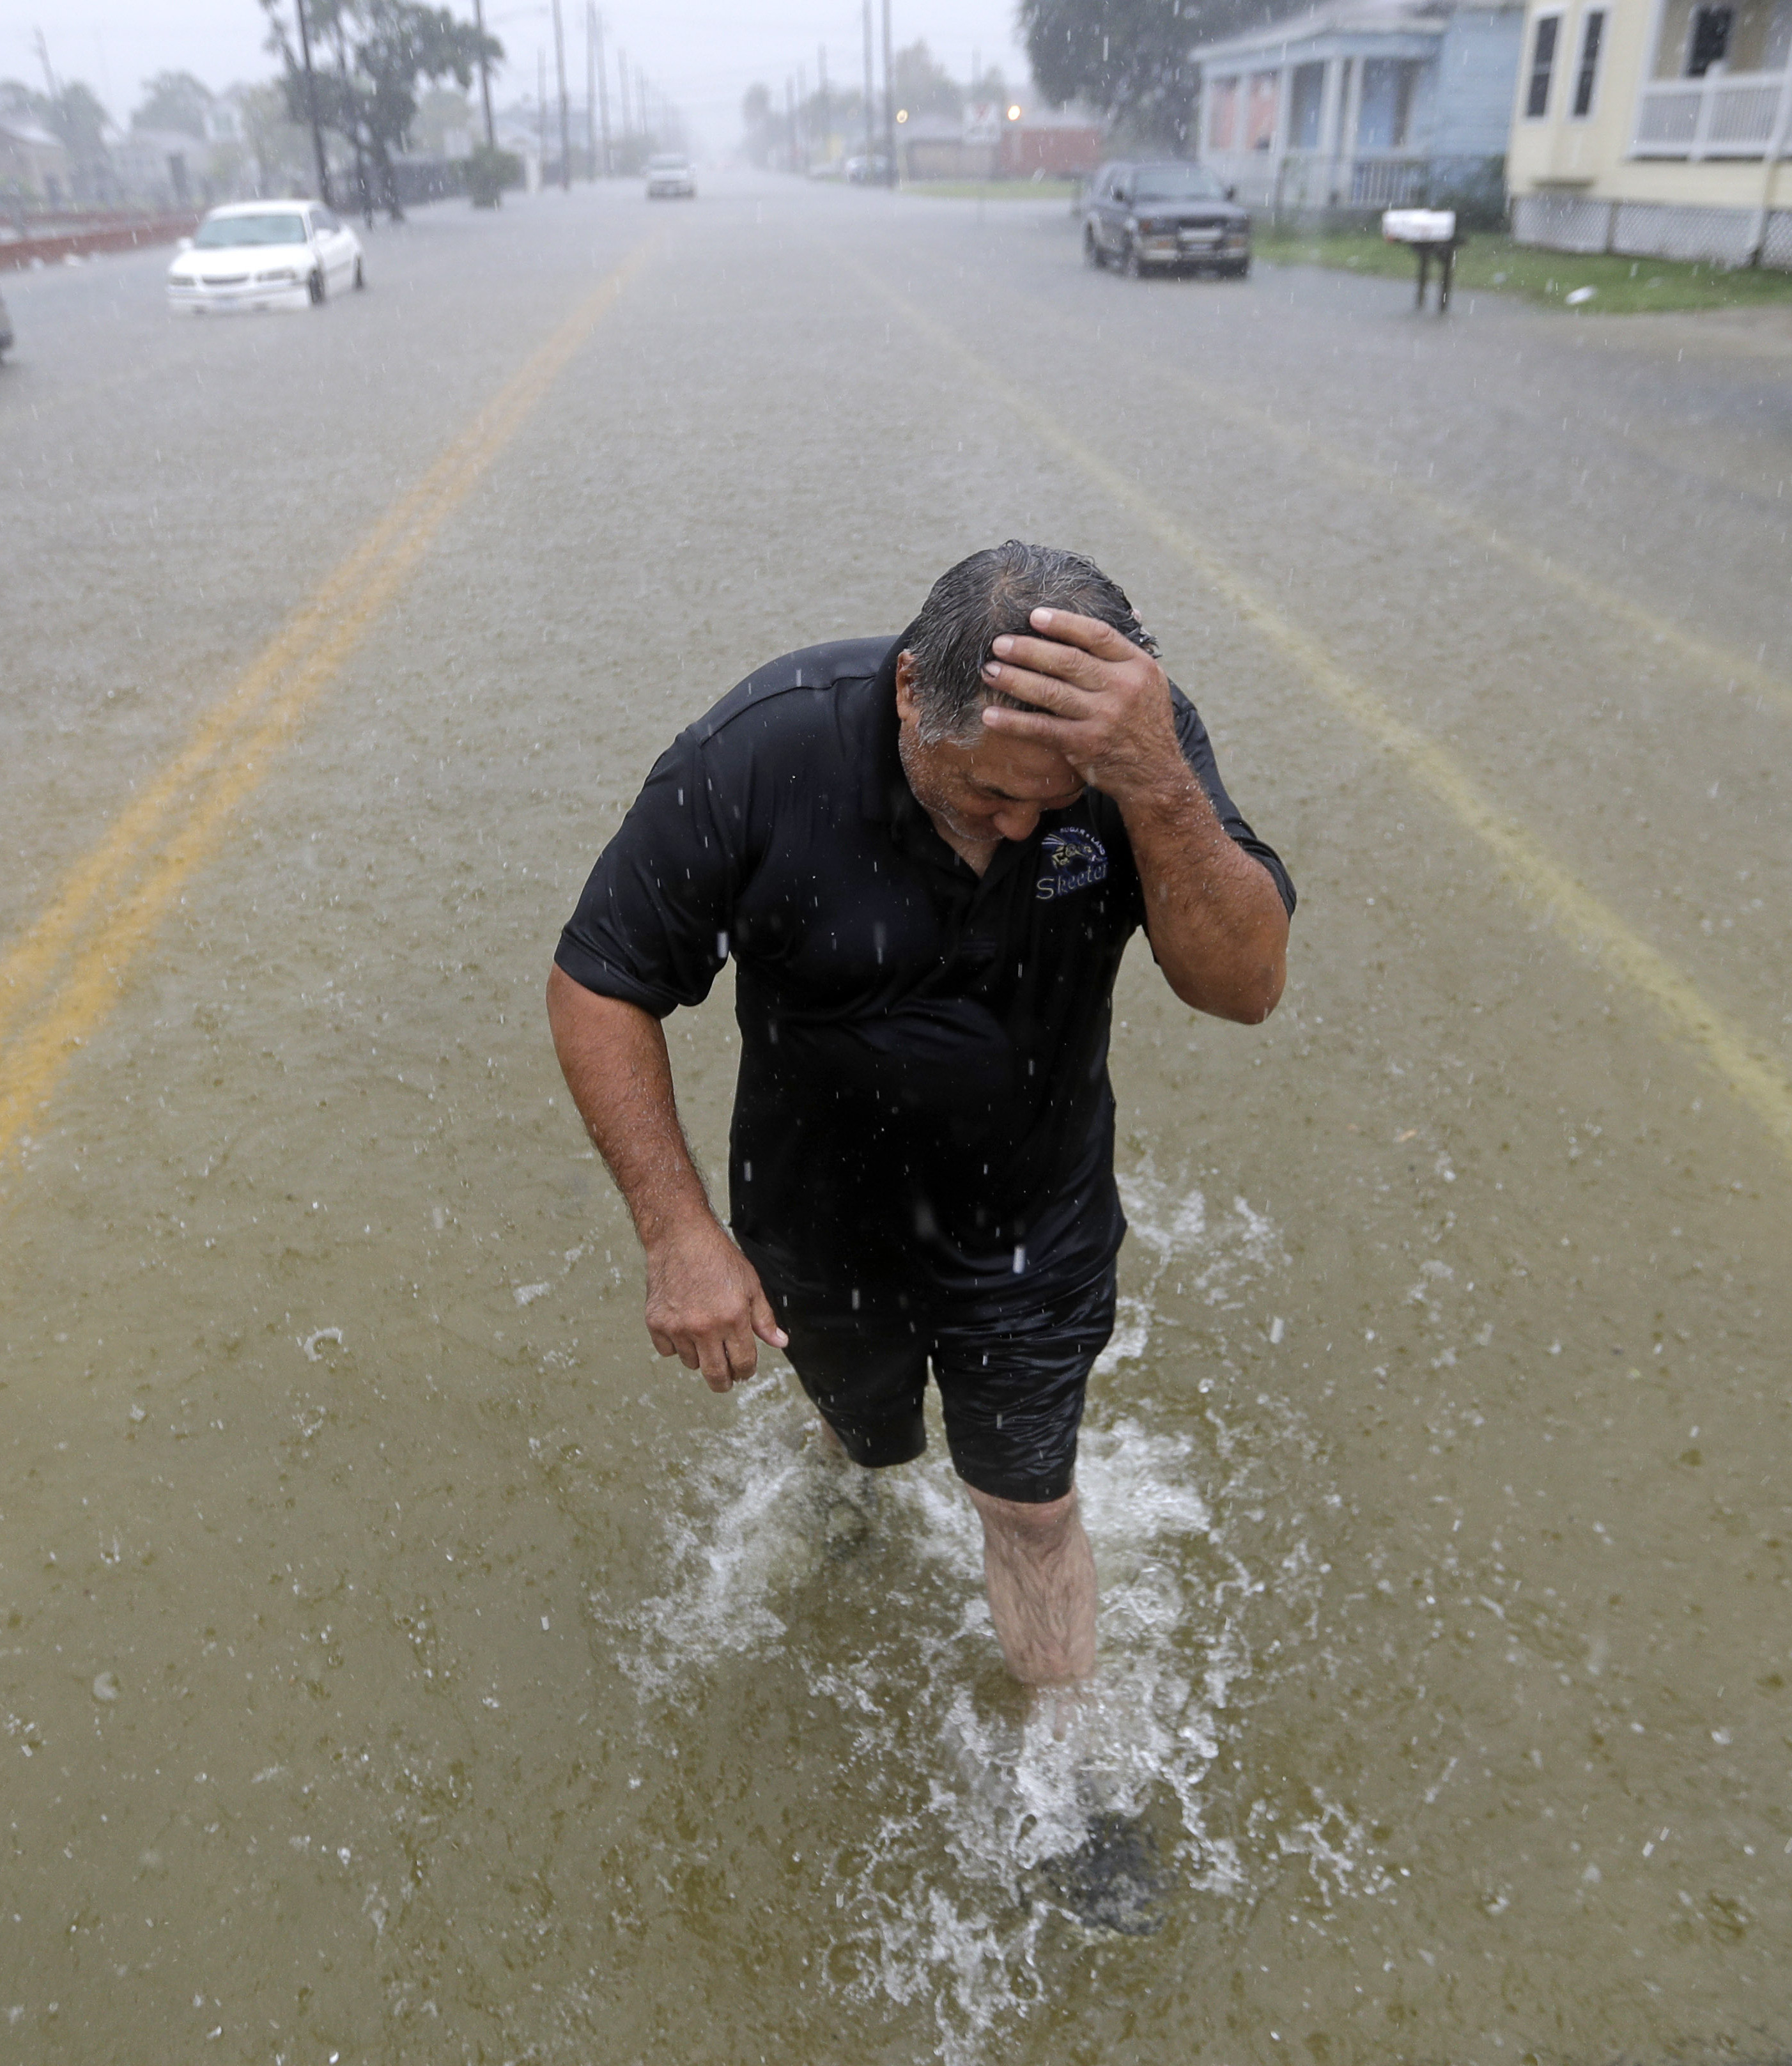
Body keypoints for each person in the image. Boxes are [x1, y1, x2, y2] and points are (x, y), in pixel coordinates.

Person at [546, 541, 1294, 1693]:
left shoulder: (1135, 748)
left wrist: (1152, 787)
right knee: (863, 1438)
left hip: (1031, 1222)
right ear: (909, 690)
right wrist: (677, 1232)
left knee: (1031, 1509)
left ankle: (1068, 1770)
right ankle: (853, 1472)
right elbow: (599, 983)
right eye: (986, 790)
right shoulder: (768, 748)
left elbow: (1242, 988)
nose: (1017, 829)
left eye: (1052, 805)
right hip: (816, 1220)